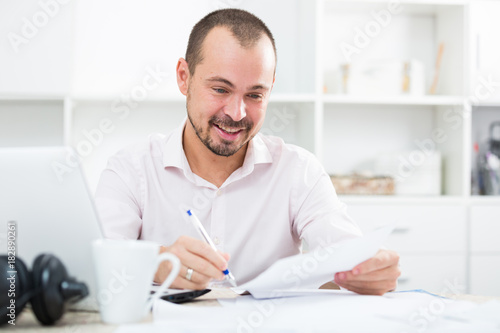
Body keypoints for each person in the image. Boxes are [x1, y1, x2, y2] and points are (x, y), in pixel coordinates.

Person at [95, 8, 400, 295]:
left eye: (254, 94)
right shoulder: (130, 170)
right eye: (220, 89)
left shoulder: (298, 171)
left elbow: (346, 255)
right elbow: (90, 266)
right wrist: (156, 263)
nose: (237, 113)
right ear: (184, 77)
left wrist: (369, 272)